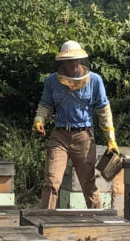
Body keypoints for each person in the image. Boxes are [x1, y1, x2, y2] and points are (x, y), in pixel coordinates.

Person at [32, 40, 118, 209]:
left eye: (77, 59)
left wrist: (111, 139)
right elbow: (46, 105)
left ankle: (98, 220)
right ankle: (44, 220)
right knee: (51, 181)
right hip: (59, 135)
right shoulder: (51, 81)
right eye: (70, 60)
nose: (74, 63)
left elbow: (103, 109)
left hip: (83, 136)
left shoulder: (95, 80)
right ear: (63, 61)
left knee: (88, 183)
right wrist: (39, 119)